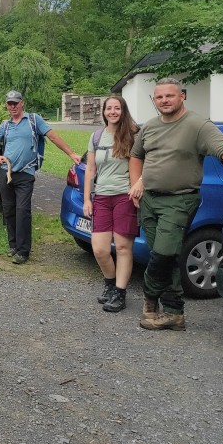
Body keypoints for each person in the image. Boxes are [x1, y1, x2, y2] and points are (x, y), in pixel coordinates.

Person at [129, 78, 223, 331]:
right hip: (149, 200)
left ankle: (150, 299)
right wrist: (135, 184)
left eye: (170, 96)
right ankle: (174, 312)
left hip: (179, 200)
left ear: (182, 96)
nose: (164, 100)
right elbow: (136, 155)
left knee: (163, 254)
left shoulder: (198, 125)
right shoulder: (150, 126)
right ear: (154, 100)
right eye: (159, 97)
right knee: (164, 256)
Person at [0, 90, 81, 264]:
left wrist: (71, 153)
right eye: (10, 103)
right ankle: (13, 245)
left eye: (16, 103)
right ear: (6, 105)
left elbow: (53, 137)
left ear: (22, 102)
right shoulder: (5, 125)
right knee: (9, 209)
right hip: (5, 172)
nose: (13, 106)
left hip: (26, 173)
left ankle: (23, 251)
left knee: (22, 210)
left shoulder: (34, 120)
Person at [82, 95, 140, 313]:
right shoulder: (96, 137)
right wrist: (87, 199)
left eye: (117, 108)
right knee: (99, 249)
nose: (113, 112)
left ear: (123, 111)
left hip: (125, 197)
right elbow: (90, 170)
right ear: (104, 111)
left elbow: (145, 163)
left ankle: (120, 292)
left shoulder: (134, 134)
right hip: (102, 197)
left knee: (124, 247)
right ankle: (110, 283)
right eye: (109, 108)